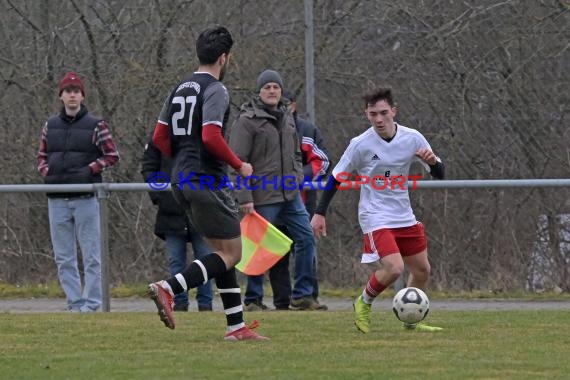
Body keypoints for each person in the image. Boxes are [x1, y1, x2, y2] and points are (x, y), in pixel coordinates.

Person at [147, 26, 267, 340]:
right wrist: (240, 165)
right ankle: (169, 288)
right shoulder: (215, 90)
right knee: (233, 253)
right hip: (206, 179)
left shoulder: (177, 88)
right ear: (224, 58)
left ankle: (236, 327)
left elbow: (160, 137)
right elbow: (210, 136)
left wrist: (184, 159)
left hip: (180, 179)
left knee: (221, 251)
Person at [311, 87, 445, 332]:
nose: (379, 119)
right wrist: (320, 213)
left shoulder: (412, 137)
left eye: (384, 113)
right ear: (367, 115)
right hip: (375, 215)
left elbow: (439, 174)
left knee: (422, 270)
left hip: (403, 214)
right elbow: (336, 179)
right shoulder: (360, 144)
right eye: (373, 114)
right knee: (394, 268)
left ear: (394, 111)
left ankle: (411, 320)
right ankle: (363, 302)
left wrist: (432, 162)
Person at [229, 69, 324, 311]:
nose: (272, 91)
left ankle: (302, 296)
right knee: (257, 248)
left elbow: (295, 153)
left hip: (291, 196)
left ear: (281, 91)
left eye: (276, 87)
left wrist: (297, 177)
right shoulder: (247, 120)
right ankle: (253, 299)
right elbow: (237, 161)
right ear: (259, 92)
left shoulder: (287, 117)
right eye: (267, 87)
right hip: (263, 196)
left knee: (305, 239)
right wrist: (245, 197)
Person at [37, 72, 120, 312]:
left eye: (76, 91)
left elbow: (112, 155)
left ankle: (92, 304)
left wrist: (89, 170)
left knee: (92, 255)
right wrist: (47, 172)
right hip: (57, 199)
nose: (72, 95)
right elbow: (41, 156)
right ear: (61, 96)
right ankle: (75, 303)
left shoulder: (96, 124)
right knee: (64, 257)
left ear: (82, 96)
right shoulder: (49, 125)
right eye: (68, 91)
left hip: (86, 199)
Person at [266, 89, 330, 310]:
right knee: (276, 255)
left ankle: (306, 297)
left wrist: (296, 177)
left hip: (301, 203)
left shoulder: (306, 130)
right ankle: (281, 303)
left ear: (293, 105)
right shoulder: (265, 128)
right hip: (272, 201)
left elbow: (322, 162)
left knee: (306, 248)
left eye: (284, 103)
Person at [141, 136, 214, 312]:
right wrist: (160, 196)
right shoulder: (159, 138)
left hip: (200, 207)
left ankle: (206, 304)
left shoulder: (204, 136)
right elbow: (148, 168)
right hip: (171, 209)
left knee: (205, 260)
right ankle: (180, 303)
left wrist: (210, 196)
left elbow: (215, 167)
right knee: (176, 261)